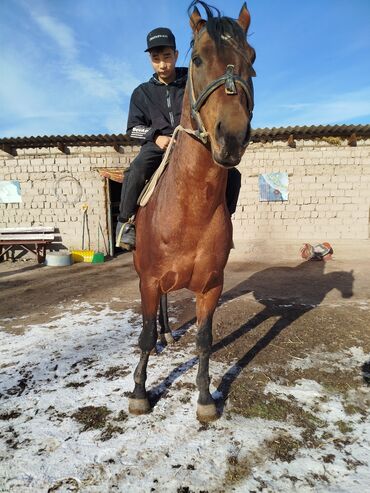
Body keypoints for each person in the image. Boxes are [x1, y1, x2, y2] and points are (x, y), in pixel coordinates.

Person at [116, 27, 241, 250]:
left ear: (175, 54)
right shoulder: (141, 93)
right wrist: (155, 137)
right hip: (160, 147)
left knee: (233, 175)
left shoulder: (191, 80)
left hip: (194, 141)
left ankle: (225, 222)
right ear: (150, 60)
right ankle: (125, 223)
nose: (162, 64)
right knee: (135, 170)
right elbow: (132, 129)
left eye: (167, 57)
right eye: (156, 59)